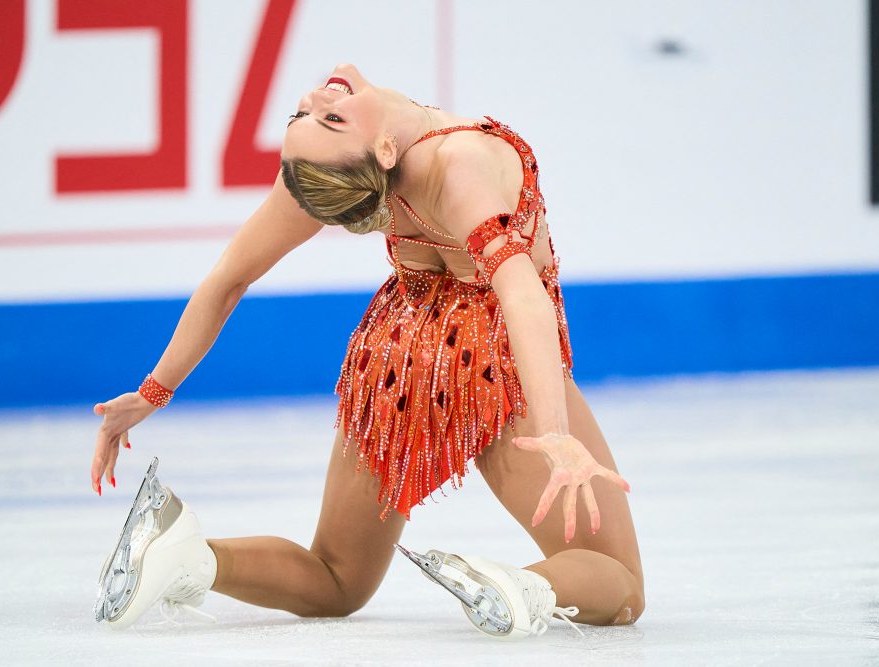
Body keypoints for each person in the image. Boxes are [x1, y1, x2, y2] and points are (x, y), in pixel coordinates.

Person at [89, 64, 644, 638]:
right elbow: (523, 297)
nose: (313, 98)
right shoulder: (455, 163)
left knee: (337, 578)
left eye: (310, 115)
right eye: (318, 117)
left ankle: (190, 556)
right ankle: (522, 585)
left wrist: (155, 391)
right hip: (492, 357)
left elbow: (227, 279)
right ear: (382, 150)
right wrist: (553, 430)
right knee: (619, 581)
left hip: (393, 358)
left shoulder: (321, 172)